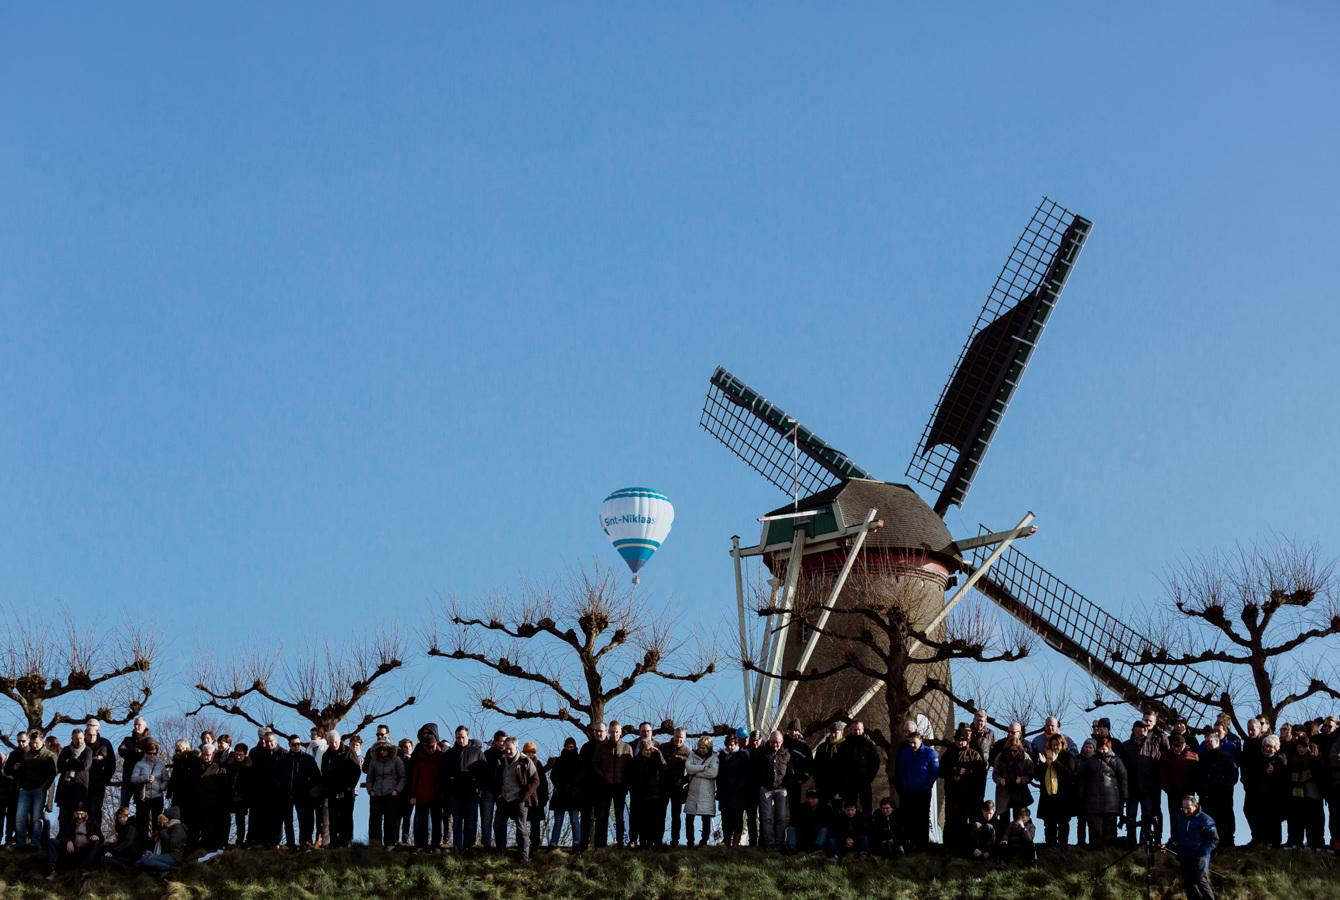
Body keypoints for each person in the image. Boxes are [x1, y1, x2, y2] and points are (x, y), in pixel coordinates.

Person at [939, 724, 987, 853]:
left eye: (962, 740)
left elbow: (981, 773)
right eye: (958, 740)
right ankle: (948, 846)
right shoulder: (949, 754)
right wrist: (953, 771)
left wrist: (967, 772)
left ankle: (963, 846)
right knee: (950, 819)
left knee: (964, 820)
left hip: (968, 794)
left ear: (967, 741)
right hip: (952, 793)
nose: (960, 743)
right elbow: (941, 771)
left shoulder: (974, 754)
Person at [893, 720, 938, 852]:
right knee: (908, 816)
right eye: (910, 742)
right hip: (909, 790)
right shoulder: (905, 752)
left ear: (920, 741)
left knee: (922, 816)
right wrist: (905, 786)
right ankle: (909, 843)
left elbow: (934, 772)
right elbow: (901, 770)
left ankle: (922, 844)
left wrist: (926, 786)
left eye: (914, 743)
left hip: (923, 791)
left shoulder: (930, 753)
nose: (912, 745)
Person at [493, 736, 539, 861]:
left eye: (510, 749)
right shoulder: (501, 761)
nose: (508, 751)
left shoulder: (525, 761)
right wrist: (498, 795)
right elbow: (497, 780)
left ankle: (524, 856)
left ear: (516, 747)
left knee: (521, 828)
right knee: (498, 825)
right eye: (506, 749)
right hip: (504, 798)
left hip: (519, 800)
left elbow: (535, 781)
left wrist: (524, 796)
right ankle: (500, 852)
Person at [441, 725, 484, 851]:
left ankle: (468, 847)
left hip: (471, 792)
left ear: (468, 736)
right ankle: (457, 848)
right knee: (457, 822)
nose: (460, 740)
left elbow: (484, 772)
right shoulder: (450, 754)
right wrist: (447, 789)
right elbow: (443, 774)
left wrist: (478, 787)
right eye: (458, 737)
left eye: (463, 737)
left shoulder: (477, 752)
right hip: (455, 793)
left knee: (470, 822)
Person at [1079, 736, 1127, 849]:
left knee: (1109, 835)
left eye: (1104, 747)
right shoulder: (1090, 762)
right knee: (1095, 834)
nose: (1102, 750)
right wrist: (1081, 795)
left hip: (1111, 803)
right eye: (1100, 748)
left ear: (1109, 747)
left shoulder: (1116, 761)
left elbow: (1123, 779)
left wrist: (1124, 797)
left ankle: (1110, 858)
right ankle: (1095, 858)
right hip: (1093, 804)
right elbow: (1082, 780)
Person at [1168, 794, 1218, 900]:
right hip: (1185, 854)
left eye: (1188, 808)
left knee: (1200, 880)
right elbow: (1177, 834)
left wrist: (1202, 852)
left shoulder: (1206, 820)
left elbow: (1214, 839)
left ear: (1195, 806)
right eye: (1183, 808)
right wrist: (1169, 844)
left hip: (1199, 856)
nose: (1185, 811)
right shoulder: (1180, 816)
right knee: (1188, 883)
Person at [275, 734, 321, 849]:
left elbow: (316, 776)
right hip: (286, 793)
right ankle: (290, 843)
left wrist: (306, 787)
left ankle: (304, 842)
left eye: (298, 744)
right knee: (288, 820)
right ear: (289, 745)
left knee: (303, 819)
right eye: (294, 744)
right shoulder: (283, 759)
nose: (296, 746)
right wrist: (281, 786)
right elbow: (276, 775)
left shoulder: (307, 759)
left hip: (302, 794)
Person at [15, 729, 57, 850]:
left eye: (36, 742)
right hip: (25, 790)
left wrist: (43, 787)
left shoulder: (50, 756)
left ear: (42, 740)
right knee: (20, 817)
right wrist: (20, 786)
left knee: (37, 818)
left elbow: (52, 775)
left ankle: (34, 843)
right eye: (32, 742)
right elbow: (20, 773)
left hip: (39, 790)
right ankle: (21, 843)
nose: (34, 745)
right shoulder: (26, 755)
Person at [1131, 712, 1168, 846]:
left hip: (1154, 779)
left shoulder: (1161, 736)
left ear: (1155, 721)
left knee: (1155, 810)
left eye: (1150, 720)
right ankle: (1139, 841)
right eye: (1145, 719)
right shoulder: (1137, 734)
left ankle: (1157, 838)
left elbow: (1166, 756)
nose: (1148, 722)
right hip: (1139, 778)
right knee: (1141, 812)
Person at [593, 721, 632, 848]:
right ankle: (600, 844)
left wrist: (626, 783)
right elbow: (595, 764)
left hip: (620, 787)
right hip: (605, 786)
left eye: (617, 732)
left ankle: (620, 842)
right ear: (609, 732)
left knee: (619, 816)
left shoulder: (627, 748)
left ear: (620, 732)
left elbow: (630, 768)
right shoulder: (601, 747)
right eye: (612, 731)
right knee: (602, 816)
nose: (614, 734)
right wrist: (602, 778)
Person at [754, 730, 794, 851]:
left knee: (781, 817)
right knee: (766, 817)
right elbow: (756, 770)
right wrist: (761, 784)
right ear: (769, 741)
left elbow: (790, 772)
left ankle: (779, 844)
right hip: (766, 788)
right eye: (772, 742)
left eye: (777, 742)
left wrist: (786, 785)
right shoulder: (762, 753)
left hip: (781, 788)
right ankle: (769, 844)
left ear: (781, 742)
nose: (775, 745)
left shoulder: (786, 754)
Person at [407, 723, 445, 851]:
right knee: (421, 821)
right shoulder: (418, 755)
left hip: (437, 794)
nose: (430, 748)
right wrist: (412, 794)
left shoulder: (442, 756)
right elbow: (414, 776)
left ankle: (436, 845)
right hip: (421, 794)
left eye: (432, 746)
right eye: (427, 746)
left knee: (436, 822)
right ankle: (421, 845)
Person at [320, 730, 360, 848]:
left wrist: (350, 786)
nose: (334, 745)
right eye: (331, 743)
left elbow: (356, 771)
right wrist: (327, 788)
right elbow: (324, 773)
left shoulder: (349, 751)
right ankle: (334, 842)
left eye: (335, 742)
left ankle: (347, 840)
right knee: (333, 816)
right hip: (333, 791)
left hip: (347, 790)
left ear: (339, 741)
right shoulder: (326, 755)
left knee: (346, 816)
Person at [1036, 733, 1077, 847]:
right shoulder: (1045, 756)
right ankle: (1050, 845)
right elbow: (1038, 776)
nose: (1055, 747)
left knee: (1063, 823)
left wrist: (1055, 762)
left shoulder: (1068, 757)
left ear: (1062, 745)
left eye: (1057, 745)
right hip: (1048, 797)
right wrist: (1043, 764)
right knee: (1049, 823)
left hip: (1063, 797)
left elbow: (1069, 775)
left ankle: (1063, 846)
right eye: (1053, 745)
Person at [1197, 732, 1238, 849]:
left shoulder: (1227, 757)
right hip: (1207, 796)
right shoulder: (1203, 758)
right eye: (1206, 742)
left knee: (1225, 819)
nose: (1208, 744)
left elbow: (1233, 775)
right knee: (1208, 820)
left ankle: (1227, 843)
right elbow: (1197, 775)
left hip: (1223, 796)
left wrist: (1226, 787)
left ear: (1217, 742)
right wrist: (1200, 790)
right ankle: (1210, 844)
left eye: (1211, 742)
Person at [364, 738, 407, 848]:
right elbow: (369, 778)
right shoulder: (374, 761)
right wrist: (370, 790)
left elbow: (402, 777)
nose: (382, 751)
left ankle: (390, 844)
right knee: (374, 820)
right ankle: (375, 844)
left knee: (390, 820)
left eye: (384, 749)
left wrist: (397, 790)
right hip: (376, 794)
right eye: (380, 749)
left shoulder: (396, 760)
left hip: (391, 794)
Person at [1285, 733, 1325, 849]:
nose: (1301, 749)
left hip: (1312, 795)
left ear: (1308, 746)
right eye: (1299, 747)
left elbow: (1320, 778)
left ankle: (1314, 843)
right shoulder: (1293, 761)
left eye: (1303, 746)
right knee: (1298, 821)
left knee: (1313, 822)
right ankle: (1296, 843)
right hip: (1297, 796)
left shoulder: (1314, 760)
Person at [627, 737, 666, 849]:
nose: (648, 752)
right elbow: (631, 777)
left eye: (650, 749)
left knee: (652, 819)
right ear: (641, 750)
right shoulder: (635, 761)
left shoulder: (656, 759)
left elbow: (664, 768)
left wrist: (658, 752)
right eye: (646, 750)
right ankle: (642, 840)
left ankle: (652, 841)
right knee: (640, 819)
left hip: (653, 794)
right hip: (639, 794)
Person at [42, 806, 101, 879]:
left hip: (85, 853)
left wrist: (96, 836)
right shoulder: (69, 823)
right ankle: (51, 870)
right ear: (74, 814)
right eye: (77, 814)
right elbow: (60, 837)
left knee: (96, 843)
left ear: (86, 814)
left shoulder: (93, 824)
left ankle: (85, 870)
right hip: (71, 852)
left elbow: (101, 838)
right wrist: (68, 841)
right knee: (52, 842)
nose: (79, 816)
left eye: (82, 814)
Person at [1160, 732, 1200, 836]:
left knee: (1190, 814)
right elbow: (1162, 774)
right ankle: (1175, 838)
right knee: (1174, 815)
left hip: (1188, 792)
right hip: (1173, 791)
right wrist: (1167, 788)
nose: (1177, 748)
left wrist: (1194, 788)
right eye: (1174, 745)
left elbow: (1197, 775)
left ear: (1184, 744)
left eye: (1179, 746)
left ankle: (1191, 837)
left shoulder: (1193, 756)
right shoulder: (1165, 756)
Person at [716, 731, 751, 848]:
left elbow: (746, 774)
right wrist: (720, 791)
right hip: (725, 794)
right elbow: (718, 776)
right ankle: (727, 842)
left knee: (737, 818)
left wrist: (739, 786)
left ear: (736, 744)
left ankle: (735, 843)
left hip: (739, 793)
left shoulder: (743, 755)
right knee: (726, 819)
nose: (731, 746)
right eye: (729, 744)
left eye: (733, 744)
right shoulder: (721, 757)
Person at [837, 721, 880, 817]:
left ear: (863, 730)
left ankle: (867, 827)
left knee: (866, 807)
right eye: (855, 729)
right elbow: (839, 763)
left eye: (859, 729)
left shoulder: (869, 745)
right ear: (851, 730)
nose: (857, 732)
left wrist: (869, 778)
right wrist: (843, 778)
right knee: (850, 807)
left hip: (864, 781)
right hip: (849, 782)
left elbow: (875, 763)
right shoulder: (844, 745)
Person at [992, 729, 1034, 824]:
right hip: (1004, 790)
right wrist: (1000, 780)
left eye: (1015, 750)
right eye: (1010, 750)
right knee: (1004, 818)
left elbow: (1030, 774)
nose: (1013, 753)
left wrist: (1022, 780)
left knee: (1019, 818)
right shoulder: (1000, 757)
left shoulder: (1025, 757)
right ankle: (1004, 838)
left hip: (1019, 791)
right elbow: (995, 773)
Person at [130, 739, 167, 843]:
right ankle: (142, 844)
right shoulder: (139, 764)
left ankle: (156, 844)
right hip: (143, 797)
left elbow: (166, 780)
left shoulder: (161, 765)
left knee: (157, 822)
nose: (152, 756)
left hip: (157, 797)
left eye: (154, 753)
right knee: (142, 822)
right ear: (145, 753)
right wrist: (145, 778)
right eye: (149, 753)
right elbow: (133, 779)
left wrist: (161, 787)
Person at [546, 736, 581, 848]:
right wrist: (560, 785)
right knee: (558, 821)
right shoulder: (559, 760)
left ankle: (577, 842)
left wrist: (571, 786)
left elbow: (580, 776)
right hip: (560, 793)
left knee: (574, 820)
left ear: (574, 747)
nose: (569, 749)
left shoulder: (579, 760)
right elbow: (553, 776)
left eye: (571, 747)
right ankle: (553, 843)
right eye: (567, 747)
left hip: (573, 795)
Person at [196, 745, 232, 851]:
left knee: (215, 827)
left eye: (209, 755)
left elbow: (224, 787)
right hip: (201, 802)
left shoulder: (220, 768)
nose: (207, 757)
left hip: (215, 803)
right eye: (205, 755)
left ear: (213, 755)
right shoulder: (197, 766)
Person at [684, 735, 718, 848]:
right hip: (693, 791)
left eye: (704, 748)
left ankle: (703, 841)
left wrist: (696, 772)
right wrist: (704, 767)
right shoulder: (692, 755)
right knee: (689, 817)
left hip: (707, 792)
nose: (701, 750)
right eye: (700, 747)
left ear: (709, 748)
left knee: (706, 818)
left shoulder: (714, 757)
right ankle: (690, 842)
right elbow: (688, 768)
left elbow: (713, 773)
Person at [83, 719, 116, 833]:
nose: (91, 728)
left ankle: (95, 834)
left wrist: (105, 779)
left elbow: (111, 763)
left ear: (98, 729)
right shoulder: (80, 742)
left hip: (98, 783)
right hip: (81, 783)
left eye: (94, 726)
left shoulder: (105, 743)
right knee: (81, 810)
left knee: (95, 809)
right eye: (89, 725)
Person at [135, 805, 188, 875]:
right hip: (167, 854)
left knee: (147, 861)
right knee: (140, 861)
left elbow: (171, 844)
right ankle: (157, 870)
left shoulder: (178, 827)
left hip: (174, 857)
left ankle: (171, 869)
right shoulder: (170, 827)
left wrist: (162, 831)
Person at [660, 728, 690, 847]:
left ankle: (675, 840)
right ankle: (658, 839)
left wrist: (683, 780)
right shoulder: (664, 747)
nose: (678, 739)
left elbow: (691, 771)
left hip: (677, 787)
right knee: (660, 814)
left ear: (684, 738)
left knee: (676, 815)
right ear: (673, 735)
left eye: (681, 737)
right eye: (677, 736)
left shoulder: (687, 752)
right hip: (663, 786)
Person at [479, 729, 508, 850]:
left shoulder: (508, 755)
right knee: (486, 818)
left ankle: (501, 844)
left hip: (502, 791)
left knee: (501, 820)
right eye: (501, 741)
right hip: (488, 790)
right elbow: (481, 773)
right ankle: (486, 844)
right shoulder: (487, 754)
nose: (503, 744)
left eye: (505, 741)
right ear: (495, 741)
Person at [117, 718, 152, 809]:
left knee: (141, 806)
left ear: (144, 726)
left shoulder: (149, 741)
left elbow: (148, 755)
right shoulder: (127, 739)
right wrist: (136, 751)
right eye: (135, 724)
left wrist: (129, 751)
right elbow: (121, 751)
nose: (136, 726)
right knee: (123, 806)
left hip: (141, 779)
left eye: (139, 725)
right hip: (127, 777)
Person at [811, 722, 845, 811]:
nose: (833, 735)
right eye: (831, 732)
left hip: (839, 788)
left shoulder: (846, 747)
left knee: (837, 812)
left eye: (836, 732)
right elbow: (815, 766)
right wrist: (817, 782)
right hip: (823, 787)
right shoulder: (822, 747)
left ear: (841, 732)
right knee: (822, 811)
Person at [521, 742, 548, 852]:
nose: (530, 754)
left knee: (535, 824)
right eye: (528, 752)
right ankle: (522, 844)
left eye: (532, 752)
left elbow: (543, 783)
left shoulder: (538, 764)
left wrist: (544, 798)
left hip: (536, 800)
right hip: (524, 798)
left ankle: (535, 844)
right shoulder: (520, 763)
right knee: (521, 823)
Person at [788, 788, 830, 854]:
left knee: (824, 829)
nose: (810, 800)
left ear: (818, 799)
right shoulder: (801, 807)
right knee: (791, 828)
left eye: (813, 798)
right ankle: (791, 848)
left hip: (817, 834)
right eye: (808, 798)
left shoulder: (825, 808)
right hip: (804, 833)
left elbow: (827, 824)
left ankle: (818, 849)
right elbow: (794, 822)